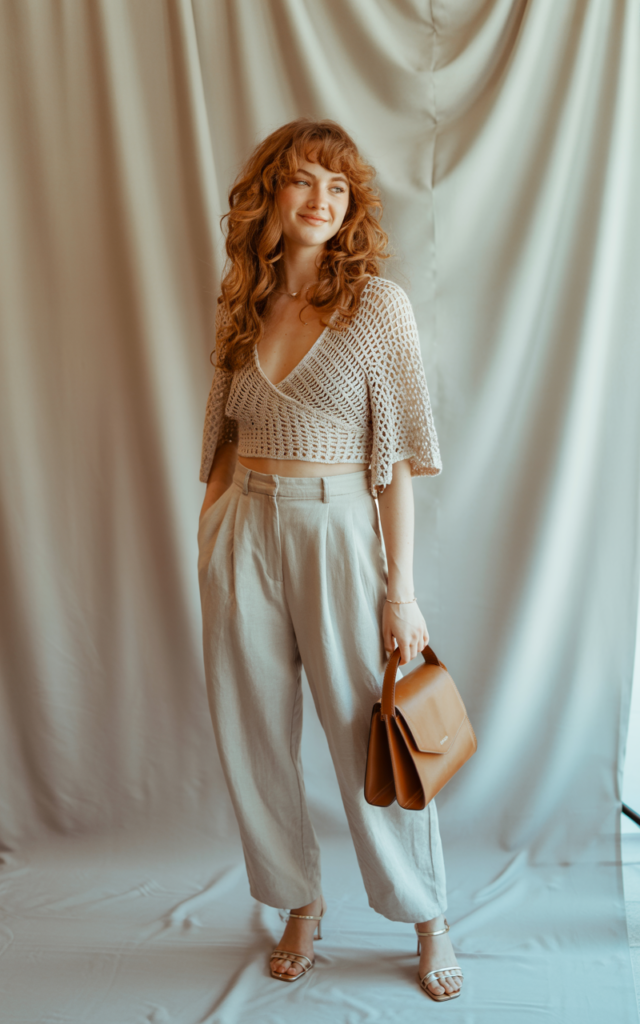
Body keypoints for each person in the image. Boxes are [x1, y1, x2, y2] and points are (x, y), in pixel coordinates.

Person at [197, 118, 463, 1002]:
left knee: (367, 739)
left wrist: (402, 593)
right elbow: (226, 439)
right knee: (252, 734)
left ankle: (429, 915)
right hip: (246, 531)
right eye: (304, 181)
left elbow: (396, 469)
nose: (320, 200)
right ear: (271, 192)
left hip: (337, 530)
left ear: (352, 208)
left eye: (338, 188)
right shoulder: (245, 300)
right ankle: (298, 904)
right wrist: (212, 535)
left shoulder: (376, 308)